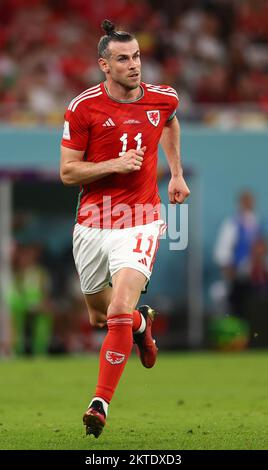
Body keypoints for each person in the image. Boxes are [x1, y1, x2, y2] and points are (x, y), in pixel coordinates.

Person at [60, 19, 190, 438]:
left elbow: (168, 121)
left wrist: (175, 174)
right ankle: (140, 326)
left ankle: (99, 404)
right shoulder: (83, 108)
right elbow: (67, 172)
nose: (134, 65)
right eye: (122, 59)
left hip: (139, 218)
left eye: (136, 56)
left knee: (116, 309)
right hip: (93, 222)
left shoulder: (162, 97)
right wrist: (113, 165)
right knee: (103, 317)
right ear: (104, 65)